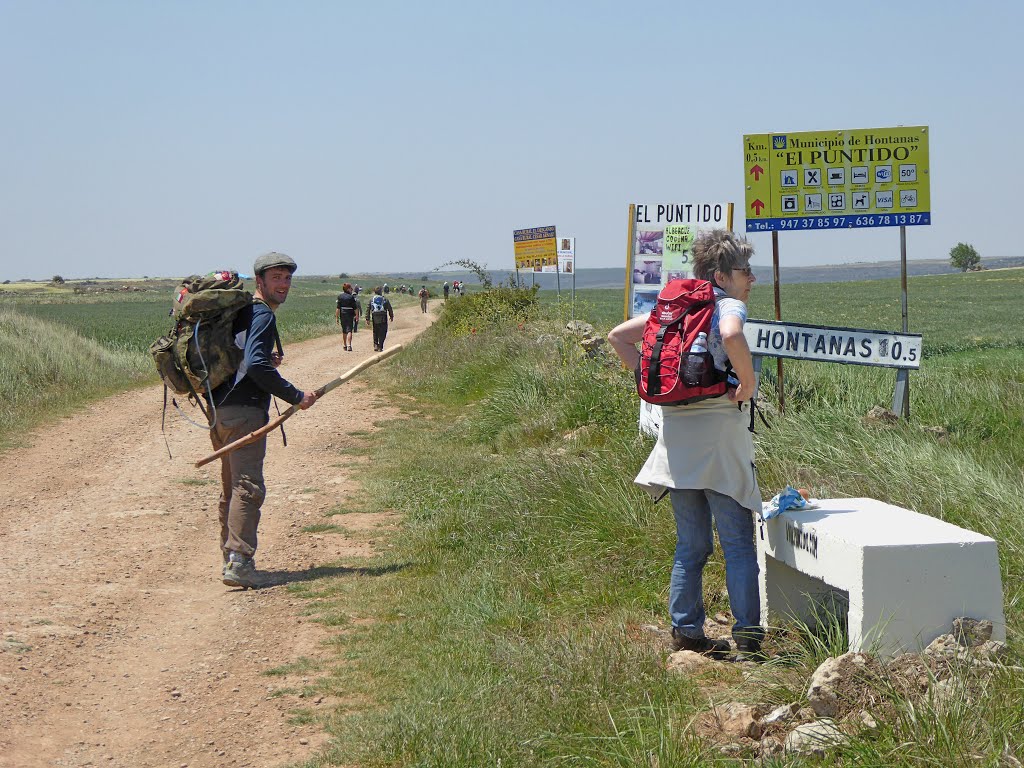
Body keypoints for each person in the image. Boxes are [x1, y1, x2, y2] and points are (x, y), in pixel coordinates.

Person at [607, 230, 763, 660]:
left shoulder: (671, 308)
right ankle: (749, 639)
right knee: (737, 544)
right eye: (744, 270)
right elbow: (731, 334)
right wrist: (747, 383)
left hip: (676, 442)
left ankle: (687, 632)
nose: (752, 278)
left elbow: (618, 335)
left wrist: (647, 382)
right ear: (721, 275)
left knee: (691, 545)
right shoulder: (726, 304)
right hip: (720, 438)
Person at [207, 252, 318, 589]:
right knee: (248, 486)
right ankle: (240, 563)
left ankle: (230, 558)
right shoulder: (262, 315)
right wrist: (296, 395)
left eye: (287, 278)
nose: (283, 285)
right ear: (260, 282)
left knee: (231, 486)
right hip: (244, 413)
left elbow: (244, 358)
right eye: (277, 278)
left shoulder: (241, 313)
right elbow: (255, 365)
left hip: (219, 412)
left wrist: (266, 361)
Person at [366, 285, 394, 352]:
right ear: (381, 291)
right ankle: (380, 346)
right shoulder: (385, 299)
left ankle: (375, 344)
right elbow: (389, 308)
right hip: (383, 316)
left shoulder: (371, 299)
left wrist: (367, 318)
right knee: (383, 331)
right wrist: (391, 316)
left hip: (374, 316)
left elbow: (368, 309)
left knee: (375, 331)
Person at [335, 282, 358, 351]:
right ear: (348, 289)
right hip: (349, 315)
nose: (351, 290)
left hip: (343, 314)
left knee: (344, 330)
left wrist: (337, 317)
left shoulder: (340, 297)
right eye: (350, 288)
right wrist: (357, 315)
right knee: (349, 330)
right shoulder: (351, 297)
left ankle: (345, 345)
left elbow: (338, 308)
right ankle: (349, 345)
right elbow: (355, 308)